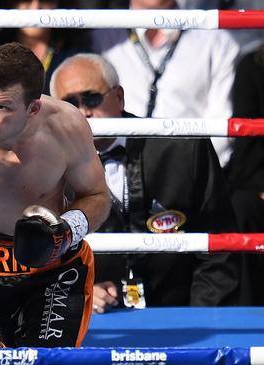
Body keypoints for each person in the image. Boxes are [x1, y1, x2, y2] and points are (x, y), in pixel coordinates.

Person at [0, 42, 111, 348]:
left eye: (2, 107)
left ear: (33, 108)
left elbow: (97, 196)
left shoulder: (65, 127)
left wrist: (67, 231)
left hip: (52, 272)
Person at [50, 53, 240, 312]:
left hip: (180, 313)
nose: (84, 111)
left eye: (92, 98)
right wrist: (76, 293)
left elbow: (220, 248)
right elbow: (36, 260)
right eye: (71, 103)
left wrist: (199, 322)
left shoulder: (184, 150)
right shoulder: (43, 166)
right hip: (95, 322)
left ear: (119, 97)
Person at [91, 0, 240, 168]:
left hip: (190, 174)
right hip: (113, 172)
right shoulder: (98, 36)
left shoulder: (218, 41)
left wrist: (190, 175)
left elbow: (221, 123)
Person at [225, 46, 264, 305]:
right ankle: (249, 320)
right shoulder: (254, 66)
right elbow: (247, 149)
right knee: (241, 206)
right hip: (257, 182)